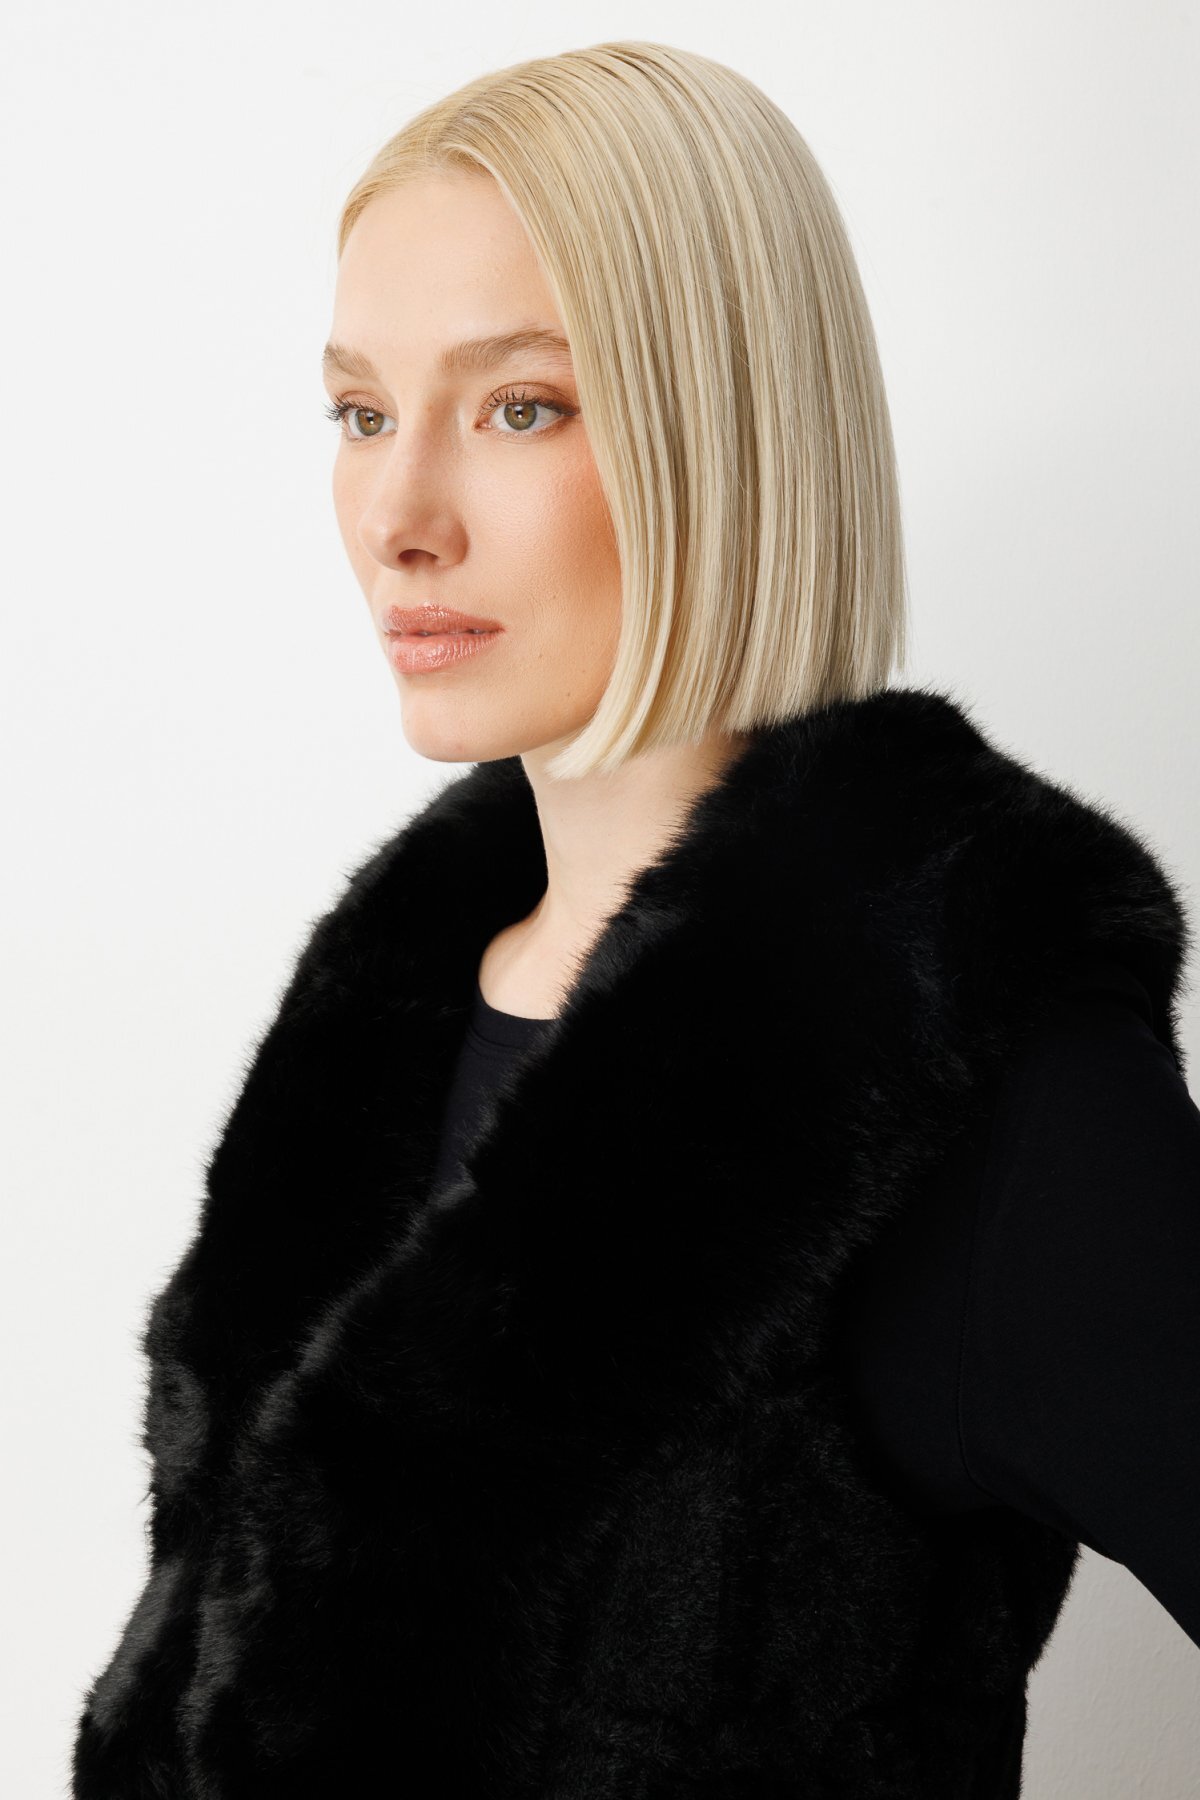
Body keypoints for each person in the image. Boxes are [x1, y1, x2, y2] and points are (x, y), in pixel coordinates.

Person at [71, 39, 1198, 1800]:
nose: (398, 517)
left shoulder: (971, 1080)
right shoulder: (383, 1021)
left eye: (519, 406)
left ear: (723, 434)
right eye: (361, 413)